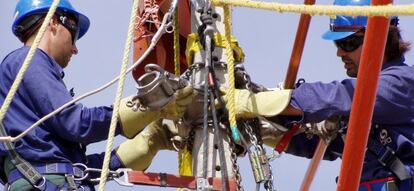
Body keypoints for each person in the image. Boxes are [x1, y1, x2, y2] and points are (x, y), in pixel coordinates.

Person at [0, 0, 195, 190]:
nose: (75, 49)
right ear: (53, 22)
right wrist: (148, 106)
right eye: (74, 35)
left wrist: (148, 143)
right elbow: (76, 123)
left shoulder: (33, 132)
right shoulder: (27, 59)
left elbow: (81, 171)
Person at [228, 0, 414, 190]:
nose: (340, 52)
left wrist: (254, 101)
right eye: (338, 43)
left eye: (348, 43)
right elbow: (324, 144)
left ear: (380, 38)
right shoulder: (366, 107)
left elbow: (335, 96)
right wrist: (263, 130)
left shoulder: (403, 82)